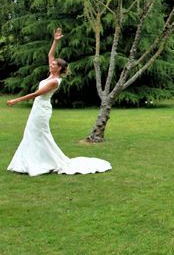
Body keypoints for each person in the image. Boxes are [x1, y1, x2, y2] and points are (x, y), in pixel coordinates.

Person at [7, 28, 112, 176]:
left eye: (54, 65)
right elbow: (50, 55)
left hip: (42, 109)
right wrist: (56, 41)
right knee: (31, 133)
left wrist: (16, 100)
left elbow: (37, 94)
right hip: (38, 108)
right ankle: (28, 162)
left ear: (60, 68)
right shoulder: (51, 74)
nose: (51, 65)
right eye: (52, 64)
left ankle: (46, 162)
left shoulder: (55, 82)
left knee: (39, 134)